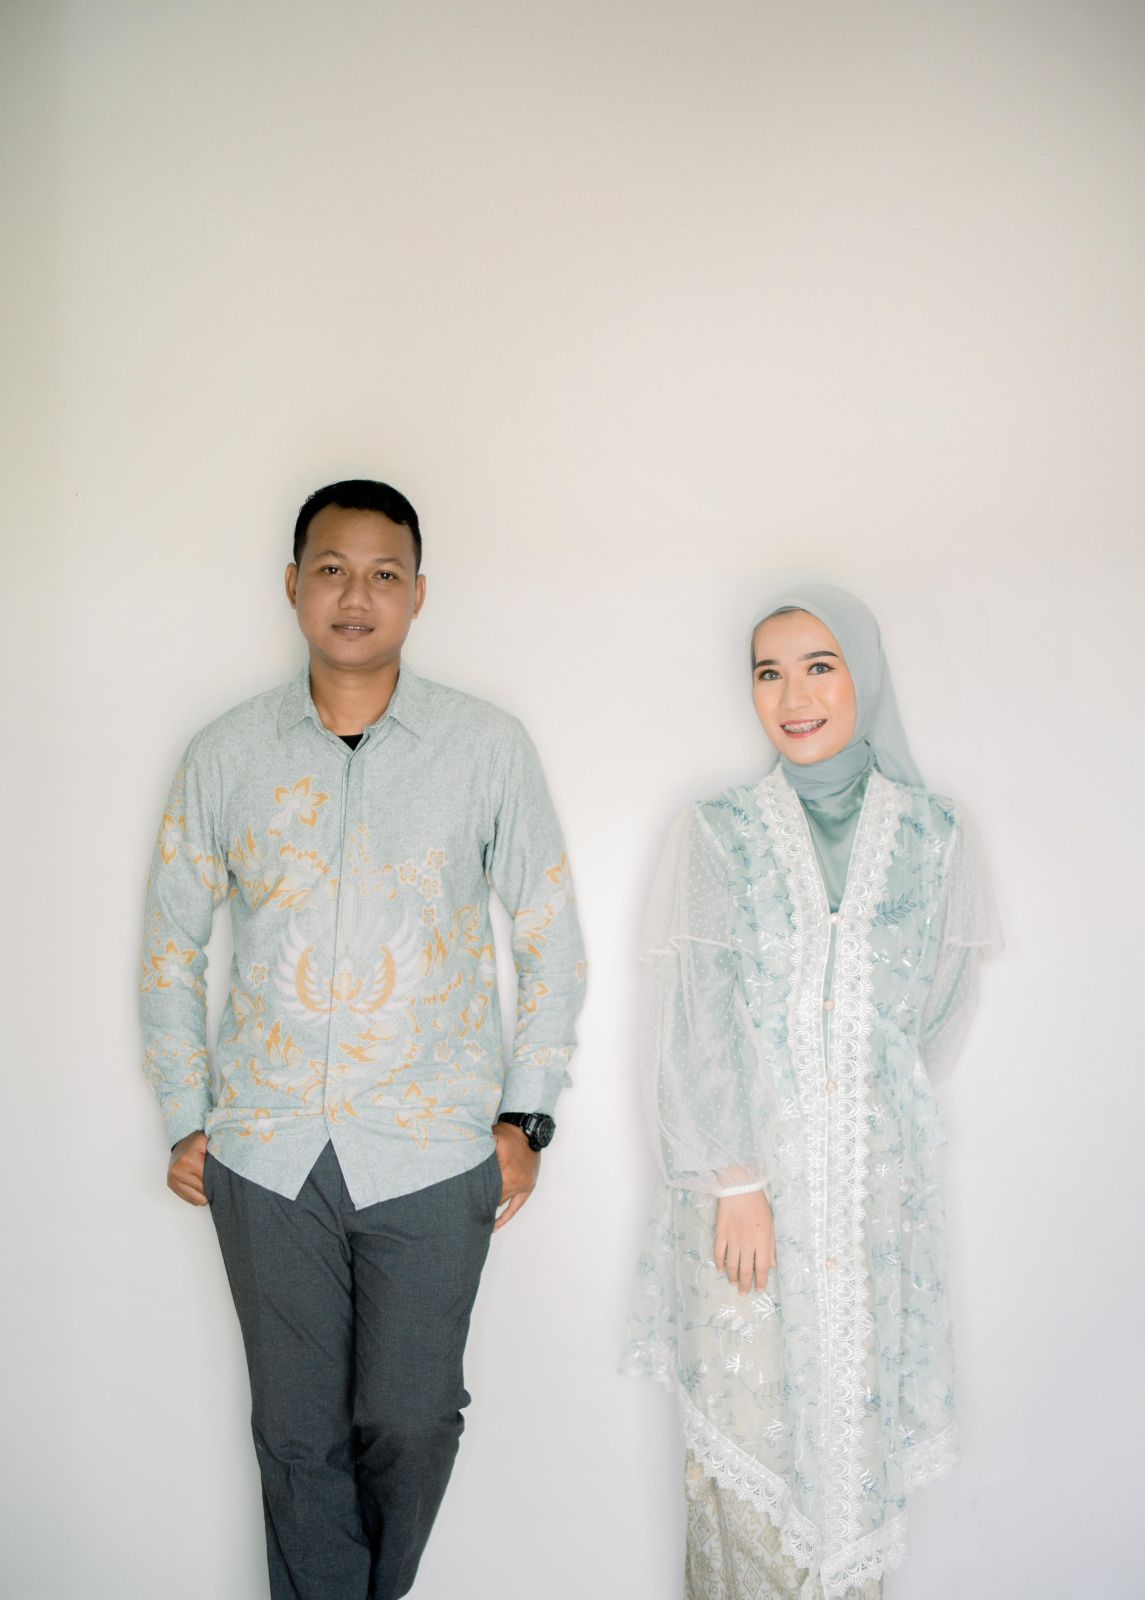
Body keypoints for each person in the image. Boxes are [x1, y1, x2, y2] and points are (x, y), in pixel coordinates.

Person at [140, 479, 586, 1599]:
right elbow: (170, 945)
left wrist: (526, 1117)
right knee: (295, 1433)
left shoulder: (485, 747)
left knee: (411, 1416)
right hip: (266, 1149)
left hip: (434, 1148)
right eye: (332, 570)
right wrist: (187, 1115)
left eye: (384, 573)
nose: (356, 595)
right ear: (293, 585)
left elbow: (549, 934)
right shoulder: (225, 754)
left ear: (417, 594)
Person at [624, 584, 1001, 1600]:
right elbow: (694, 1020)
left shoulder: (931, 835)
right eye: (768, 673)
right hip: (743, 1208)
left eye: (818, 666)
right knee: (748, 1471)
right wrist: (737, 1176)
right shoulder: (719, 833)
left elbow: (933, 1013)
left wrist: (853, 1124)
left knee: (849, 1465)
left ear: (862, 676)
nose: (792, 697)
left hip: (870, 1213)